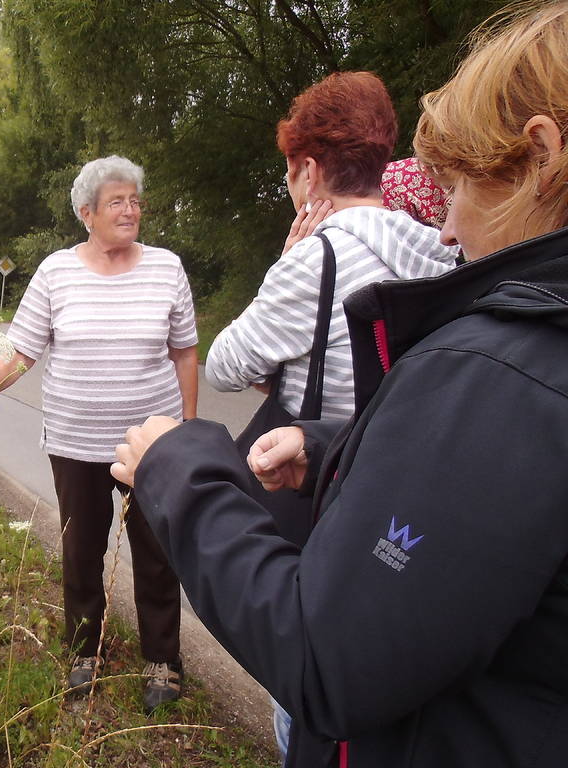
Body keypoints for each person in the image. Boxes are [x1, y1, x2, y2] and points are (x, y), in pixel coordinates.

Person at [111, 2, 568, 765]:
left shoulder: (500, 361)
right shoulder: (434, 252)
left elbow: (331, 660)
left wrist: (176, 465)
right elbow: (490, 484)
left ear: (542, 155)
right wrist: (334, 447)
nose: (450, 227)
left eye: (456, 186)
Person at [204, 70, 458, 758]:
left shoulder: (313, 259)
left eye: (292, 173)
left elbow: (224, 363)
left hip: (323, 496)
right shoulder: (444, 248)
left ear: (309, 172)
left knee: (310, 687)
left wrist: (282, 265)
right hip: (416, 501)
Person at [0, 155, 199, 713]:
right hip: (75, 443)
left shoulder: (165, 268)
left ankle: (164, 658)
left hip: (151, 444)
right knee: (82, 550)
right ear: (87, 213)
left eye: (134, 200)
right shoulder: (56, 272)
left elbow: (184, 353)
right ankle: (84, 650)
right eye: (116, 202)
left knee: (157, 551)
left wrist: (189, 429)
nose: (129, 210)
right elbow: (24, 348)